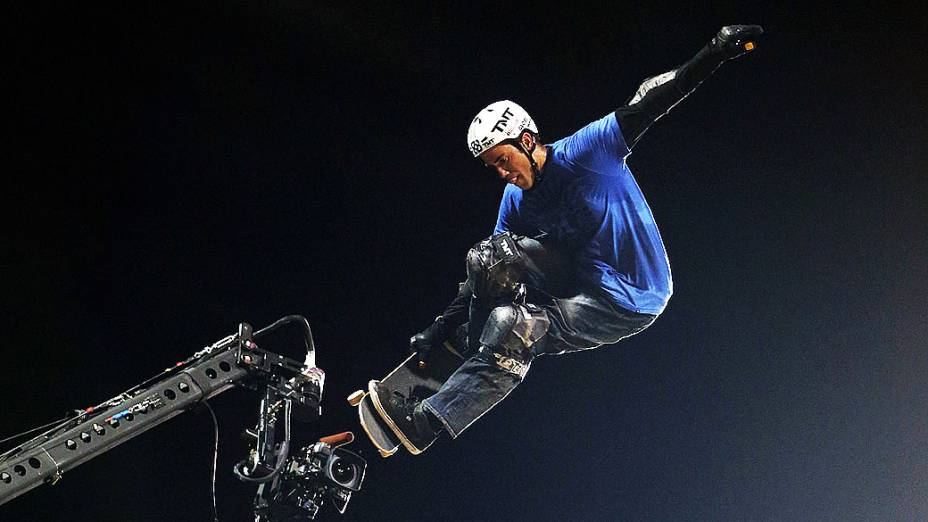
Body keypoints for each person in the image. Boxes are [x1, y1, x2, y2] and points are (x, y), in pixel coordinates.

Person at [369, 25, 764, 454]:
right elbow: (482, 274)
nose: (502, 173)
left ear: (526, 140)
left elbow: (651, 100)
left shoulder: (588, 150)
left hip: (629, 297)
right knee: (490, 258)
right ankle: (473, 338)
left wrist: (716, 51)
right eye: (492, 167)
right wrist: (439, 326)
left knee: (517, 330)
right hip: (577, 270)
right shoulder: (515, 200)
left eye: (503, 160)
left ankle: (429, 421)